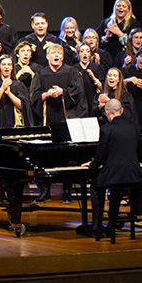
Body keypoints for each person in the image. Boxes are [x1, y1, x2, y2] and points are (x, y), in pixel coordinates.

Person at [30, 43, 85, 203]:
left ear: (62, 56)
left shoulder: (71, 72)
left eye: (59, 53)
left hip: (65, 118)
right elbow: (34, 96)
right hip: (48, 118)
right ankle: (44, 190)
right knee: (45, 155)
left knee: (66, 155)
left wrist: (63, 92)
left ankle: (67, 189)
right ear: (47, 56)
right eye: (53, 53)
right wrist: (46, 94)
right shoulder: (40, 74)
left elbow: (78, 92)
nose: (56, 56)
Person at [84, 99, 142, 238]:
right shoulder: (135, 127)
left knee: (95, 187)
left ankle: (97, 227)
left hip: (115, 174)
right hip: (134, 174)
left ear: (106, 112)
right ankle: (111, 224)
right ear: (121, 111)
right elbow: (139, 153)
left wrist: (92, 165)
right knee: (115, 189)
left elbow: (100, 157)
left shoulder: (106, 129)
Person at [0, 55, 32, 128]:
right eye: (3, 64)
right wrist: (2, 89)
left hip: (15, 126)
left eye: (9, 64)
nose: (6, 67)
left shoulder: (19, 85)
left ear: (12, 67)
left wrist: (9, 94)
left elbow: (23, 106)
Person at [73, 42, 105, 117]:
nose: (85, 53)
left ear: (90, 54)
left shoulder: (97, 68)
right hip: (79, 105)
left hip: (93, 103)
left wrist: (94, 78)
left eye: (87, 51)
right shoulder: (74, 69)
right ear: (78, 54)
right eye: (82, 51)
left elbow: (102, 87)